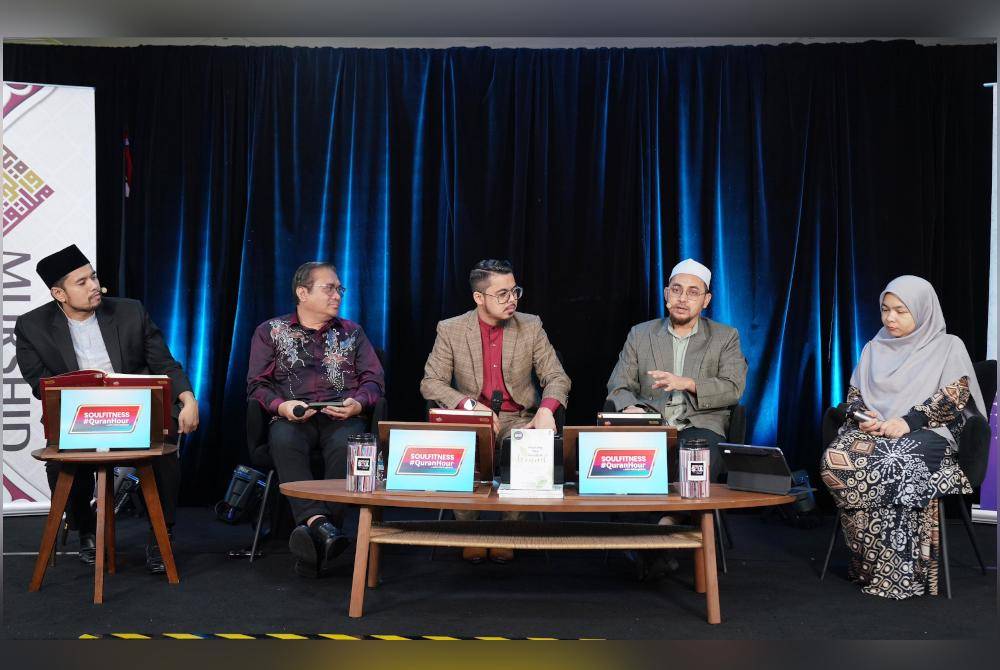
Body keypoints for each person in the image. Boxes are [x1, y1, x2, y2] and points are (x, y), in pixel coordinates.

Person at [14, 244, 199, 573]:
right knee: (63, 466)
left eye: (94, 277)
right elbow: (40, 384)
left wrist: (188, 398)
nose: (94, 287)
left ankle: (161, 535)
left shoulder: (130, 312)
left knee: (165, 454)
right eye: (81, 282)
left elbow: (164, 363)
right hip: (78, 415)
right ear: (59, 293)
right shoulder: (32, 325)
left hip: (135, 412)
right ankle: (86, 529)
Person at [820, 275, 985, 599]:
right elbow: (854, 396)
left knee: (893, 462)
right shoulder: (873, 347)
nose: (890, 318)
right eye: (885, 309)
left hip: (930, 430)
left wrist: (909, 422)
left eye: (900, 311)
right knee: (834, 463)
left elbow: (954, 397)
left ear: (923, 311)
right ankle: (868, 562)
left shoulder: (948, 345)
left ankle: (898, 573)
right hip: (878, 430)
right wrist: (863, 417)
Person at [420, 259, 571, 564]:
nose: (512, 299)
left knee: (522, 446)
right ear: (479, 297)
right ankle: (469, 530)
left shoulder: (531, 325)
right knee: (464, 445)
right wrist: (467, 405)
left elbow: (556, 376)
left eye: (514, 291)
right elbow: (430, 383)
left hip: (520, 419)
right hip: (472, 419)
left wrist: (546, 409)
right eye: (502, 294)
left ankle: (508, 529)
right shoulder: (451, 329)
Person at [247, 261, 384, 577]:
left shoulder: (353, 333)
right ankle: (324, 530)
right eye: (329, 288)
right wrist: (282, 407)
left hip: (342, 415)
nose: (337, 295)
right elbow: (257, 385)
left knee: (347, 444)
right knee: (283, 438)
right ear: (302, 293)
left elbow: (374, 380)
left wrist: (358, 404)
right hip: (294, 416)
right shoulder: (270, 331)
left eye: (340, 289)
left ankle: (315, 532)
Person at [606, 258, 747, 482]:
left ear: (706, 300)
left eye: (693, 292)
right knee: (622, 467)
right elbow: (618, 384)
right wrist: (630, 407)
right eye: (676, 290)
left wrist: (687, 383)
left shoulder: (725, 337)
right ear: (666, 294)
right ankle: (665, 517)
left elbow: (733, 388)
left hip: (701, 424)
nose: (682, 299)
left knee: (693, 464)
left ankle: (669, 518)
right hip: (651, 424)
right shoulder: (640, 334)